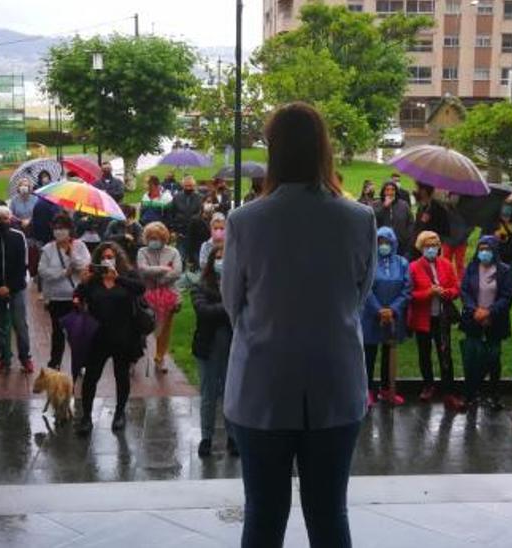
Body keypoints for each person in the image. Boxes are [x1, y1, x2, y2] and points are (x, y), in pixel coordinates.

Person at [221, 102, 376, 548]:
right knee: (330, 516)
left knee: (263, 517)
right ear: (323, 149)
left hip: (262, 387)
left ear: (274, 152)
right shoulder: (358, 218)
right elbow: (358, 296)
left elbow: (234, 304)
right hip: (335, 383)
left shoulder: (245, 221)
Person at [73, 242, 147, 434]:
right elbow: (77, 298)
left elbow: (140, 289)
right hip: (97, 337)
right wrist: (82, 283)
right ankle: (86, 416)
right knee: (91, 377)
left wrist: (118, 278)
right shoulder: (93, 280)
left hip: (123, 336)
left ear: (117, 258)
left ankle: (120, 413)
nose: (107, 260)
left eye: (111, 256)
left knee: (121, 376)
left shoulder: (127, 275)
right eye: (104, 257)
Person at [459, 236, 512, 411]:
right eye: (482, 249)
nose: (484, 252)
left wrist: (490, 311)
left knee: (493, 357)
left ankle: (494, 394)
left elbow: (507, 296)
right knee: (471, 358)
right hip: (473, 319)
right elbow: (465, 291)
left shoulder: (504, 271)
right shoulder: (472, 268)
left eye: (488, 249)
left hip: (495, 320)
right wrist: (474, 310)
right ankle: (470, 394)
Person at [408, 230, 462, 410]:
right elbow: (410, 294)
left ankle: (449, 392)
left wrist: (446, 293)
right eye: (427, 246)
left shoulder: (446, 264)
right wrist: (428, 293)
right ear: (421, 247)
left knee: (445, 354)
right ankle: (428, 385)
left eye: (434, 245)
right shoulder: (414, 267)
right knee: (424, 353)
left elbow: (456, 289)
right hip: (423, 317)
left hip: (442, 317)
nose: (431, 249)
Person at [193, 246, 236, 457]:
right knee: (208, 394)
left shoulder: (238, 285)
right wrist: (227, 307)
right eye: (218, 258)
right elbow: (203, 312)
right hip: (208, 347)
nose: (222, 262)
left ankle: (233, 437)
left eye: (226, 258)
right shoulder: (201, 286)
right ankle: (206, 437)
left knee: (231, 393)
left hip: (233, 347)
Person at [362, 226, 413, 407]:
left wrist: (392, 310)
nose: (384, 245)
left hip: (393, 316)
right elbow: (365, 289)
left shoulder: (402, 263)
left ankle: (387, 389)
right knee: (369, 354)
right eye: (380, 242)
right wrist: (378, 310)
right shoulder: (369, 262)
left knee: (388, 353)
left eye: (387, 242)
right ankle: (367, 390)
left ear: (393, 243)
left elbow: (407, 290)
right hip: (371, 315)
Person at [0, 205, 34, 374]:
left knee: (20, 324)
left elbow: (22, 264)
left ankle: (25, 358)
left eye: (4, 218)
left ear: (9, 219)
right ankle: (5, 358)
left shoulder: (19, 237)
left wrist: (9, 286)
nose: (1, 222)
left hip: (16, 289)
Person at [39, 213, 90, 372]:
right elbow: (43, 271)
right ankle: (55, 361)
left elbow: (85, 267)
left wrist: (71, 253)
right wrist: (63, 273)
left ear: (70, 230)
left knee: (76, 332)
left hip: (75, 297)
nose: (59, 231)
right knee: (57, 331)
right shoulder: (48, 249)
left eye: (62, 228)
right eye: (56, 228)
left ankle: (81, 362)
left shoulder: (80, 246)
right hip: (56, 298)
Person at [136, 221, 183, 373]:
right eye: (150, 237)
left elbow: (176, 272)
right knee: (144, 326)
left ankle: (160, 357)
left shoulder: (173, 252)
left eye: (156, 237)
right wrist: (163, 268)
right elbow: (143, 269)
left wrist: (160, 279)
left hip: (168, 296)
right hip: (148, 295)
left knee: (164, 329)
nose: (153, 240)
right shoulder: (142, 252)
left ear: (164, 238)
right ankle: (135, 356)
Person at [373, 180, 413, 257]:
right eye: (387, 190)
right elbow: (373, 219)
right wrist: (384, 207)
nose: (390, 192)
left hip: (401, 244)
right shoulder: (376, 204)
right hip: (382, 244)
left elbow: (410, 222)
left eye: (392, 190)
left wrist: (407, 237)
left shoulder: (404, 205)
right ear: (383, 192)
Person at [413, 182, 450, 260]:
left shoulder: (438, 208)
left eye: (418, 188)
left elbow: (445, 231)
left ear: (424, 191)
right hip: (419, 248)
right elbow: (417, 227)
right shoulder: (421, 207)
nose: (416, 190)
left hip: (432, 248)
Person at [183, 195, 216, 271]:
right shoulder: (195, 220)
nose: (209, 204)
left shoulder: (216, 219)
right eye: (207, 202)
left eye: (210, 202)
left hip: (212, 250)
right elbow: (190, 238)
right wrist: (191, 257)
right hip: (198, 250)